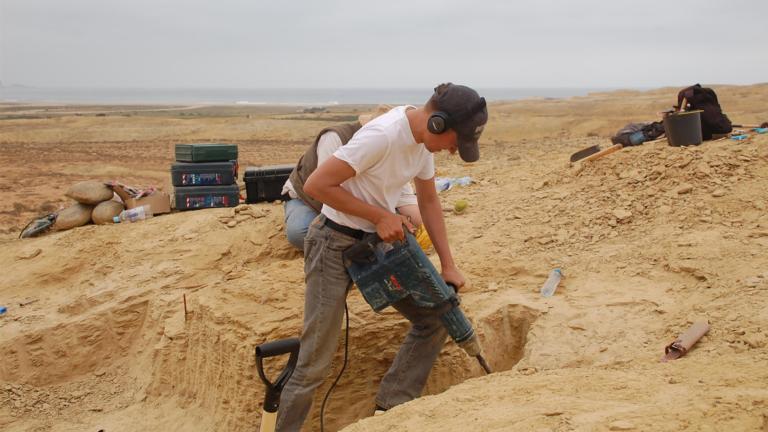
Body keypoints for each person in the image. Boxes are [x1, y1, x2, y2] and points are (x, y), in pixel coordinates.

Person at [275, 83, 488, 431]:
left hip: (376, 246)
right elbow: (316, 185)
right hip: (332, 243)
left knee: (437, 316)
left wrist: (448, 264)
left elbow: (430, 202)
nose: (452, 151)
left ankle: (390, 415)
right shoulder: (383, 136)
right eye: (454, 142)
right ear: (437, 122)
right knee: (315, 362)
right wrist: (378, 215)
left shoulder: (422, 143)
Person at [282, 105, 422, 250]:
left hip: (355, 205)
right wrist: (379, 218)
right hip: (309, 200)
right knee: (300, 232)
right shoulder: (335, 137)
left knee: (401, 230)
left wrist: (417, 225)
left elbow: (405, 198)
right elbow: (324, 193)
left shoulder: (391, 150)